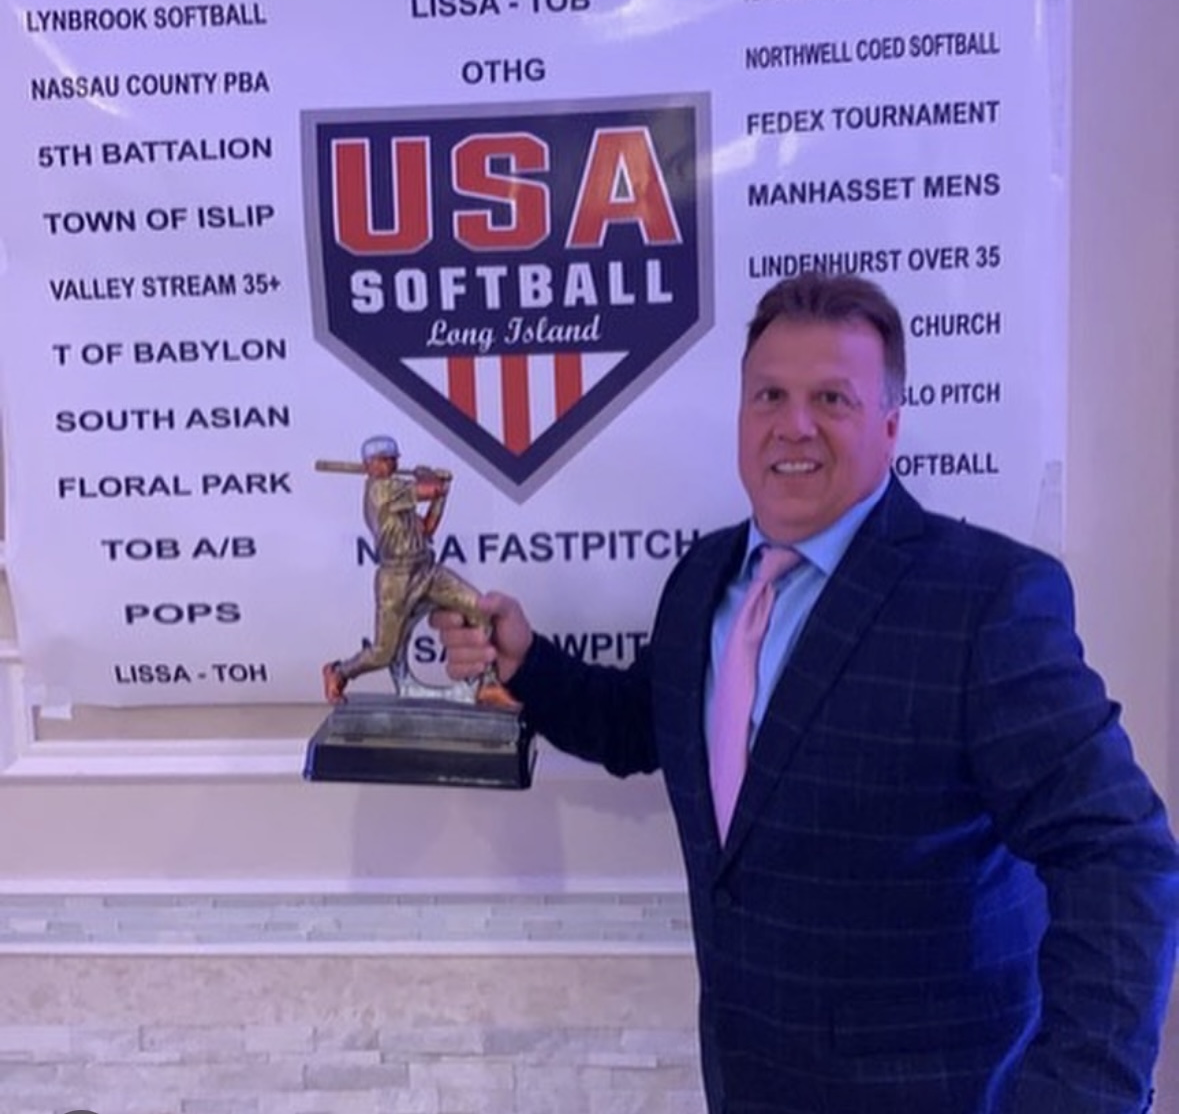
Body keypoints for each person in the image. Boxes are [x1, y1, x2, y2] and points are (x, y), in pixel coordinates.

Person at [432, 273, 1179, 1113]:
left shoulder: (986, 602)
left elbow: (1118, 854)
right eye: (769, 396)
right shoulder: (702, 578)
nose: (793, 424)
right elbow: (644, 723)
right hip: (747, 1080)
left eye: (831, 398)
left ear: (890, 423)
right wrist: (527, 662)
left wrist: (1078, 1097)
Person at [321, 434, 513, 708]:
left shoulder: (401, 498)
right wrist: (431, 478)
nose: (390, 464)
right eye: (383, 460)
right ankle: (339, 672)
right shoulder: (381, 490)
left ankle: (487, 684)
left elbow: (428, 527)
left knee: (479, 608)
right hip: (396, 579)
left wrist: (443, 494)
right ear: (369, 465)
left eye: (392, 459)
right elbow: (428, 489)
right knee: (384, 653)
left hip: (426, 569)